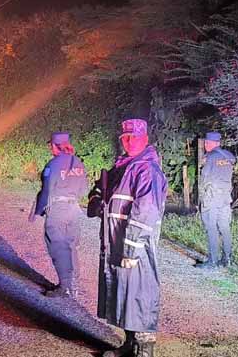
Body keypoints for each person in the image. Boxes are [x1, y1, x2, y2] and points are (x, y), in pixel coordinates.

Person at [89, 119, 167, 357]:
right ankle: (128, 345)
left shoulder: (147, 170)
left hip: (136, 248)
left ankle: (144, 351)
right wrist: (95, 198)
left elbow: (147, 209)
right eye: (125, 137)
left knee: (140, 294)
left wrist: (131, 250)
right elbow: (101, 192)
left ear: (145, 139)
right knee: (123, 294)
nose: (129, 141)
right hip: (115, 242)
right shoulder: (123, 166)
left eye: (134, 137)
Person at [31, 132, 88, 298]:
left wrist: (37, 211)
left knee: (58, 247)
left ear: (56, 146)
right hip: (74, 210)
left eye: (51, 145)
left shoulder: (53, 165)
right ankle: (73, 285)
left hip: (57, 210)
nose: (50, 148)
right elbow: (84, 189)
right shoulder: (78, 163)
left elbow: (46, 190)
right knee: (71, 247)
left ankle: (65, 287)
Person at [197, 131, 237, 269]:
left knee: (211, 228)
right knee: (225, 228)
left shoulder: (210, 157)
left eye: (206, 143)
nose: (205, 145)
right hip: (226, 197)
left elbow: (204, 178)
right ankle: (227, 259)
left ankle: (212, 262)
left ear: (210, 143)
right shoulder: (229, 156)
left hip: (212, 197)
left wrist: (202, 197)